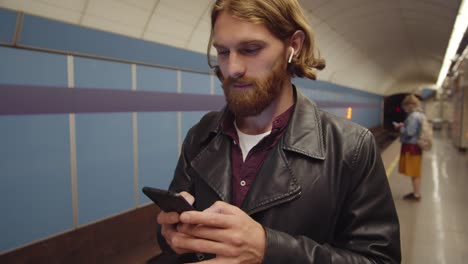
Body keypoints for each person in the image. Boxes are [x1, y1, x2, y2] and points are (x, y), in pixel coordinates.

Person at [156, 0, 401, 263]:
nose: (233, 68)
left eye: (251, 49)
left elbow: (379, 259)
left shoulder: (351, 148)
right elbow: (171, 235)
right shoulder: (202, 135)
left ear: (293, 46)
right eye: (223, 52)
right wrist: (170, 235)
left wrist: (269, 249)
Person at [394, 94, 424, 201]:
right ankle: (416, 192)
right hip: (415, 146)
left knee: (414, 171)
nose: (404, 109)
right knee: (415, 171)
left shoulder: (413, 116)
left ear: (409, 105)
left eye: (405, 106)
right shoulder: (419, 114)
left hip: (411, 147)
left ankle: (416, 195)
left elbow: (410, 132)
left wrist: (400, 128)